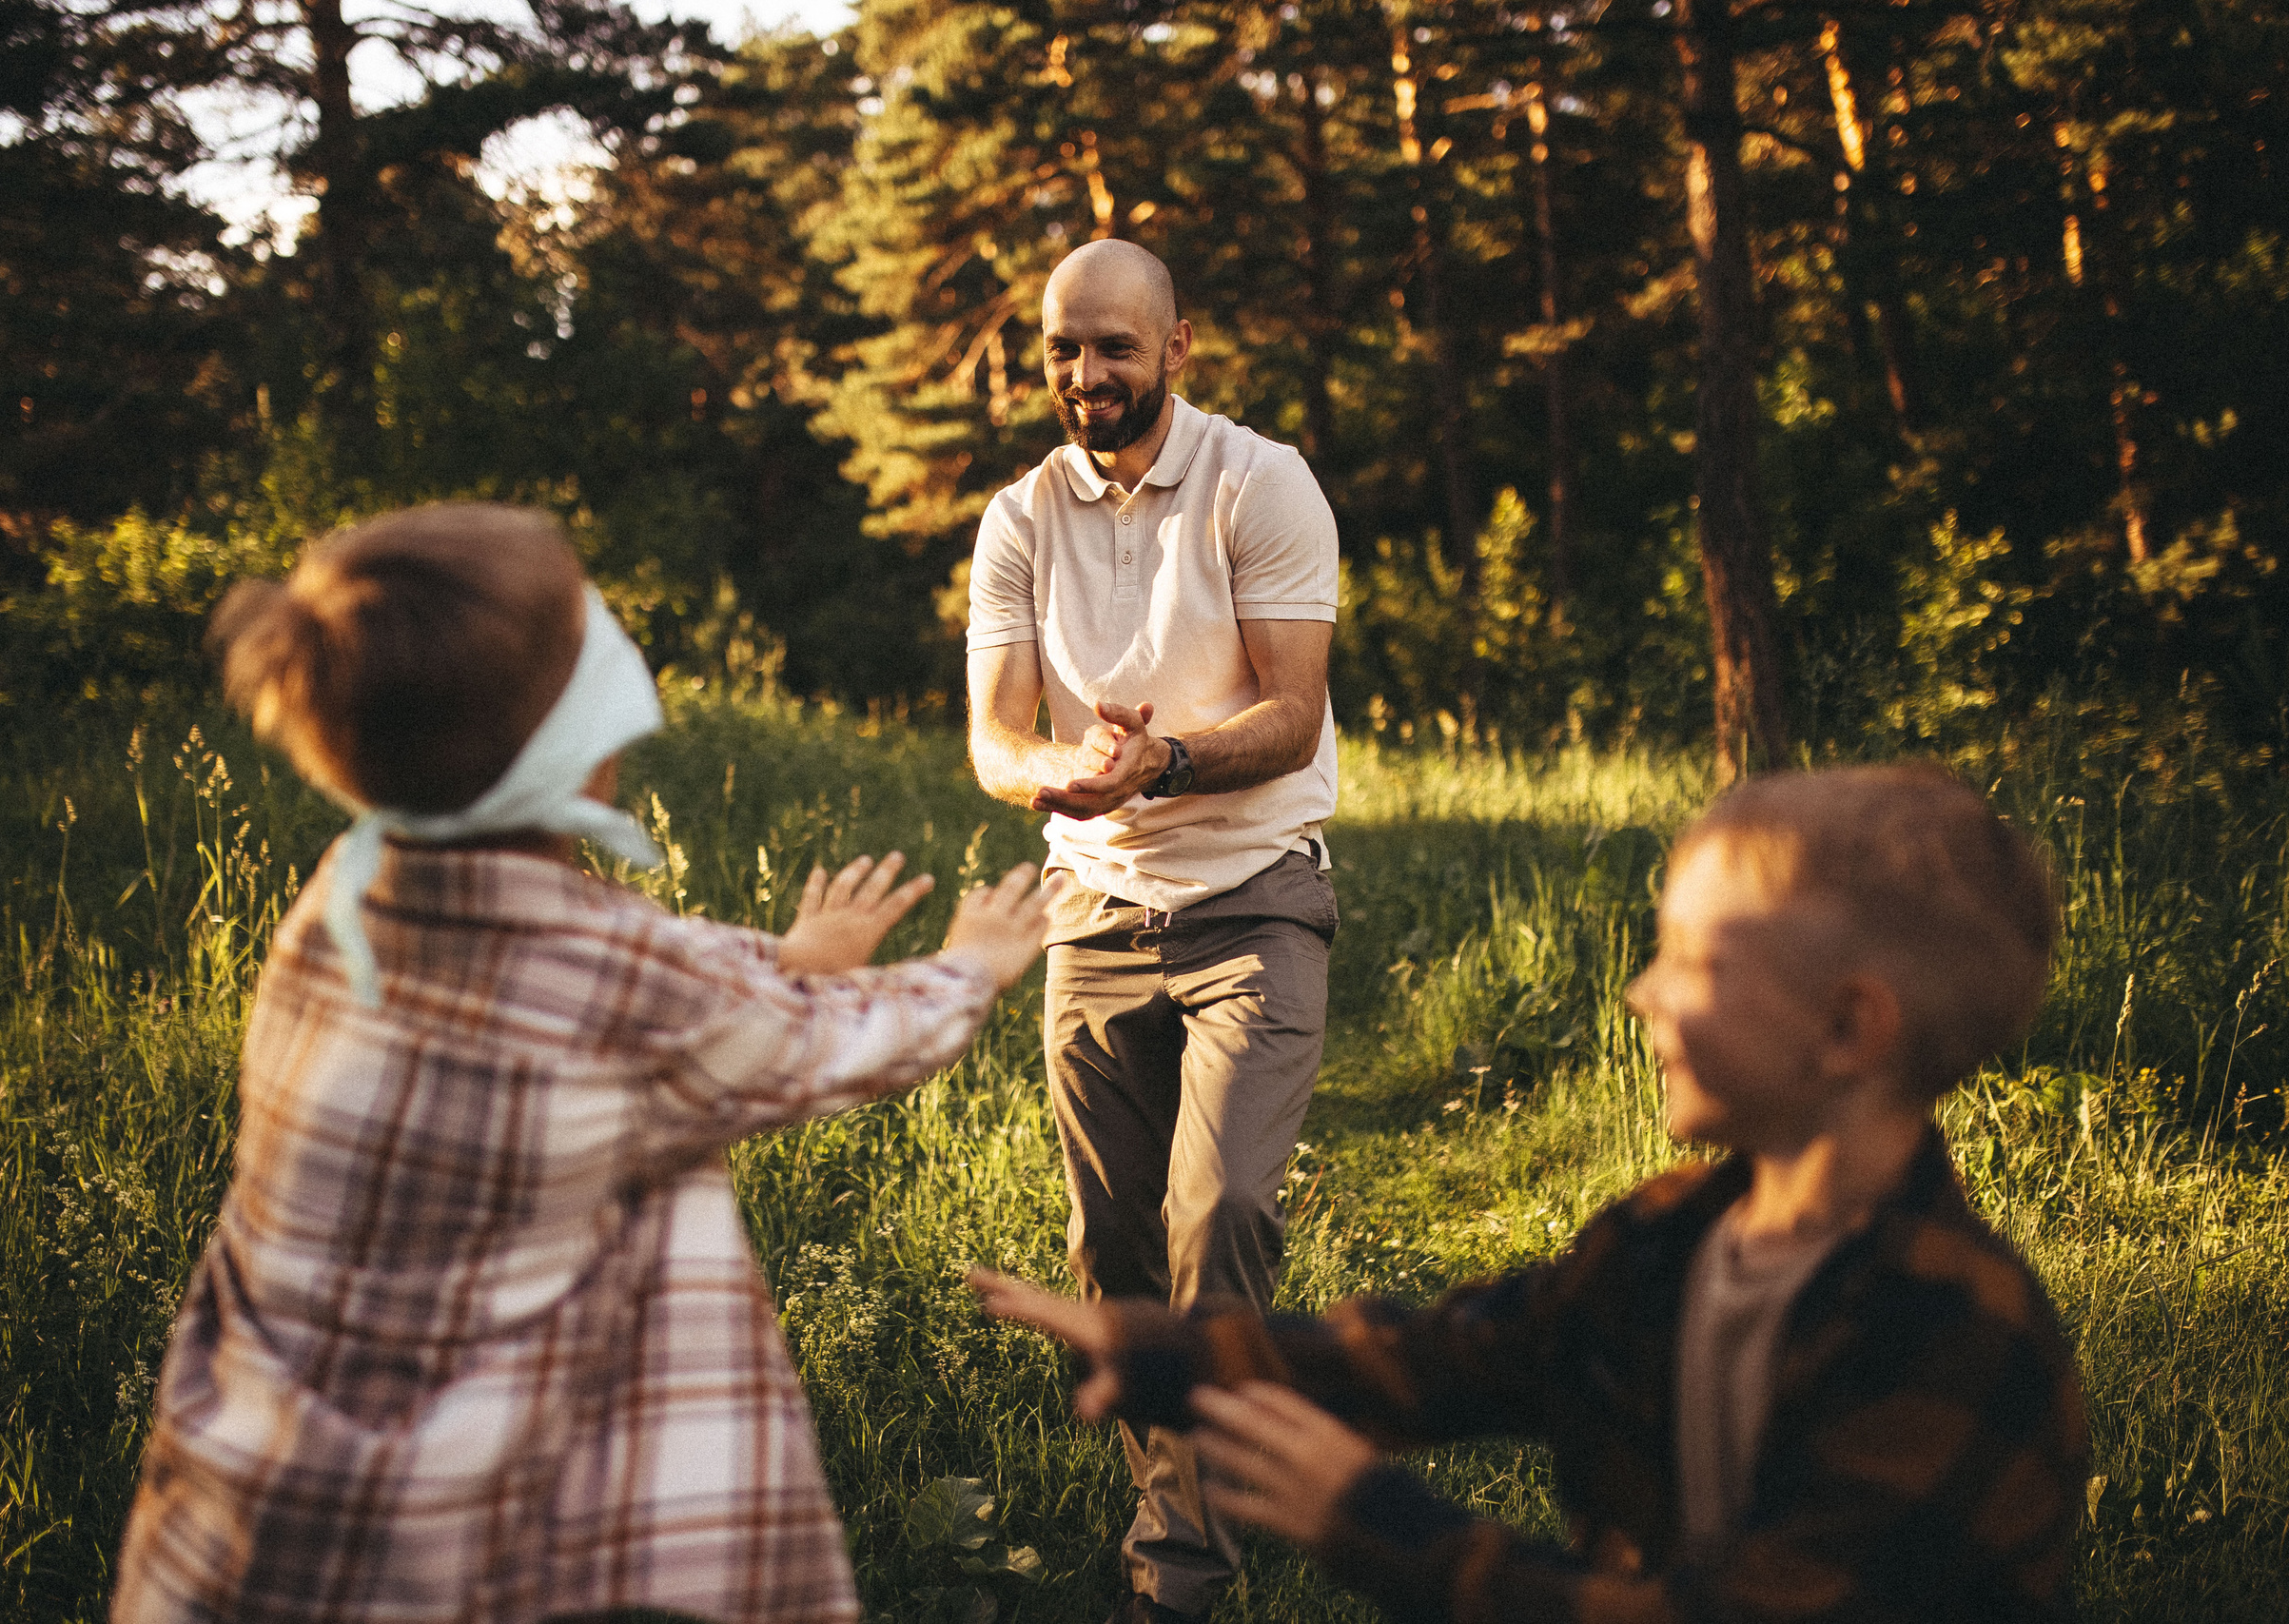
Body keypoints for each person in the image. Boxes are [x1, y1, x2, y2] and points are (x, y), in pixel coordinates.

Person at [110, 503, 1055, 1624]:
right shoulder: (615, 982)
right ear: (581, 748)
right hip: (462, 1548)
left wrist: (785, 956)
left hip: (263, 1520)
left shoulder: (342, 900)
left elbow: (631, 972)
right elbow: (836, 1043)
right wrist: (970, 966)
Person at [980, 763, 2087, 1623]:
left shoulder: (1952, 1335)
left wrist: (1381, 1526)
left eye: (1694, 963)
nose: (1640, 992)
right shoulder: (1671, 1237)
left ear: (1848, 1029)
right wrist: (1169, 1353)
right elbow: (1453, 1354)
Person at [965, 240, 1341, 1623]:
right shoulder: (1017, 519)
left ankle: (1178, 1573)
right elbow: (995, 737)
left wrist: (1162, 758)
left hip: (1254, 894)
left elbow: (1292, 712)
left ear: (1177, 348)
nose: (1086, 375)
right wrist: (1053, 774)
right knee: (1111, 1248)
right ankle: (1196, 1469)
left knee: (1220, 1209)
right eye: (1065, 349)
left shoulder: (1262, 480)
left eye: (1115, 347)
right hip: (1094, 909)